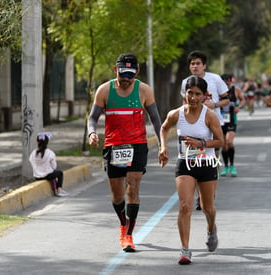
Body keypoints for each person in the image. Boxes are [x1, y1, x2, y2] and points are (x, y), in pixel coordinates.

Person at [87, 53, 162, 253]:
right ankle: (122, 224)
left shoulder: (144, 90)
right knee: (117, 194)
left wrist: (162, 144)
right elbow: (92, 118)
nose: (126, 78)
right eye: (123, 73)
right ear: (116, 70)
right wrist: (92, 132)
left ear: (136, 72)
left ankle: (128, 235)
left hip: (137, 144)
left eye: (130, 74)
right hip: (114, 146)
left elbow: (155, 120)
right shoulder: (104, 90)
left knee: (133, 186)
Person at [160, 76, 224, 265]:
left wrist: (201, 143)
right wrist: (163, 148)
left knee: (207, 207)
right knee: (185, 206)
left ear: (205, 96)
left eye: (198, 94)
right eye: (190, 93)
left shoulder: (209, 115)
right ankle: (185, 250)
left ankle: (211, 229)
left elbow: (221, 141)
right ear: (185, 93)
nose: (193, 97)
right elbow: (164, 129)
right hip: (185, 163)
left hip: (206, 164)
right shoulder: (176, 114)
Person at [180, 50, 229, 210]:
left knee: (211, 158)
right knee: (192, 159)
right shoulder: (185, 82)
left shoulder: (215, 79)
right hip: (192, 124)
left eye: (198, 63)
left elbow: (227, 99)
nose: (195, 66)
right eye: (192, 64)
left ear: (204, 65)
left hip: (212, 123)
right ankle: (198, 194)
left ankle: (208, 193)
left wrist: (214, 105)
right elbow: (184, 102)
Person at [219, 74, 245, 177]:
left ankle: (232, 166)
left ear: (231, 81)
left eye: (228, 81)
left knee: (229, 141)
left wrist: (239, 106)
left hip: (231, 119)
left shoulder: (236, 90)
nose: (226, 83)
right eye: (224, 81)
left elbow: (242, 99)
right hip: (220, 119)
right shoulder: (218, 91)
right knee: (223, 144)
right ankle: (226, 166)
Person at [29, 132, 69, 197]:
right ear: (47, 142)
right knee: (60, 173)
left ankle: (56, 188)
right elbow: (54, 166)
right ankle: (59, 189)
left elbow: (31, 161)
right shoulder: (50, 153)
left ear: (37, 142)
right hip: (47, 176)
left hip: (37, 177)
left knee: (52, 175)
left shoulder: (33, 153)